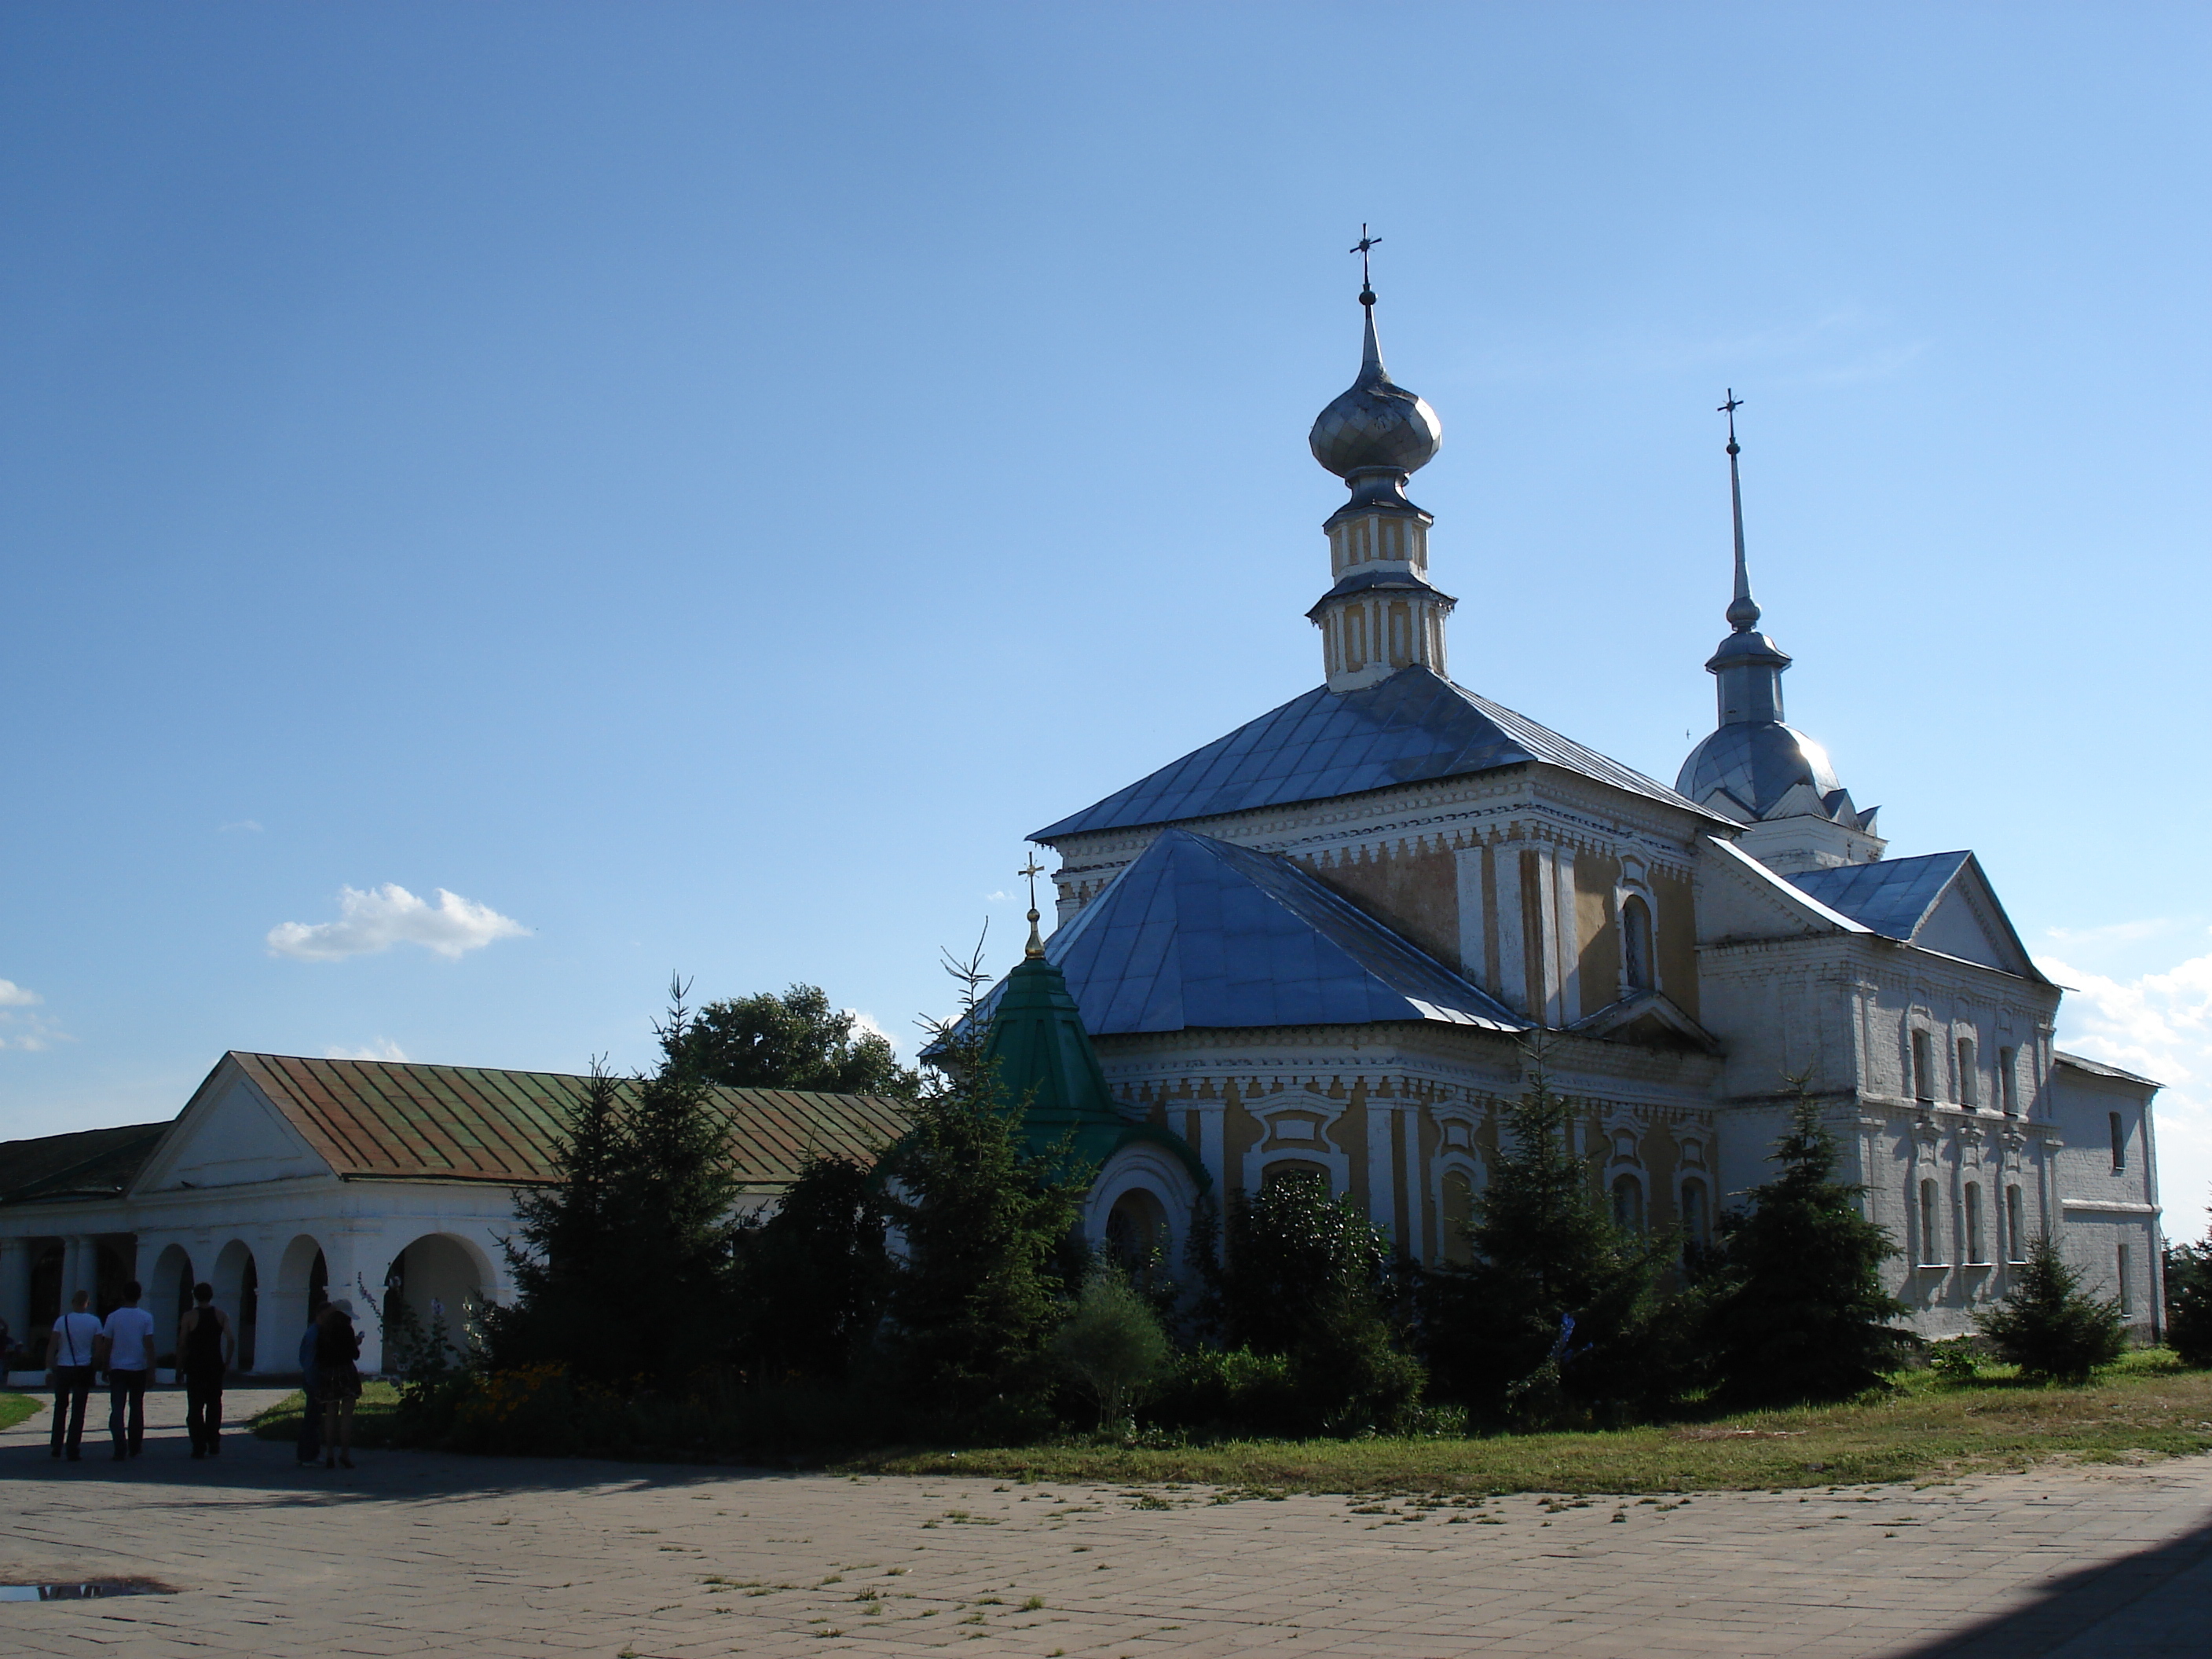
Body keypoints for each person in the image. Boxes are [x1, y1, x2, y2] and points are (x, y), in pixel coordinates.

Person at [100, 1280, 157, 1459]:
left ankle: (119, 1445)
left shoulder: (113, 1317)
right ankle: (135, 1445)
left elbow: (107, 1343)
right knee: (136, 1407)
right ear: (139, 1296)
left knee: (117, 1407)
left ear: (123, 1295)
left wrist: (105, 1366)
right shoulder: (146, 1317)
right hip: (138, 1367)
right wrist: (151, 1369)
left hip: (117, 1367)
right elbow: (149, 1345)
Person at [178, 1283, 233, 1459]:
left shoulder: (189, 1316)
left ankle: (198, 1445)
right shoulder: (221, 1315)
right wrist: (227, 1362)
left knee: (195, 1406)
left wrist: (179, 1367)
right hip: (215, 1364)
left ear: (195, 1296)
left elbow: (182, 1343)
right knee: (214, 1404)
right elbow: (231, 1340)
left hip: (195, 1365)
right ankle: (214, 1441)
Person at [46, 1290, 101, 1461]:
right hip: (83, 1368)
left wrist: (49, 1369)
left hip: (63, 1367)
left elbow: (52, 1345)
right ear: (88, 1303)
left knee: (60, 1407)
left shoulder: (62, 1321)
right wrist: (98, 1367)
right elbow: (98, 1348)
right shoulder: (94, 1322)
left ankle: (56, 1445)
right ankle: (73, 1447)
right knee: (78, 1410)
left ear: (72, 1302)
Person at [314, 1300, 363, 1470]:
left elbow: (319, 1355)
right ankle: (345, 1453)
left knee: (330, 1414)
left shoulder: (323, 1331)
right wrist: (355, 1343)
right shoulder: (346, 1330)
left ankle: (329, 1454)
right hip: (346, 1372)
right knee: (346, 1416)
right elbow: (354, 1354)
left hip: (328, 1374)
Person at [295, 1303, 323, 1467]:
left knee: (314, 1418)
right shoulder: (314, 1334)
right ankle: (307, 1455)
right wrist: (313, 1380)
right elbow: (308, 1360)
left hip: (312, 1378)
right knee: (312, 1418)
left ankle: (309, 1453)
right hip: (313, 1380)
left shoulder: (315, 1332)